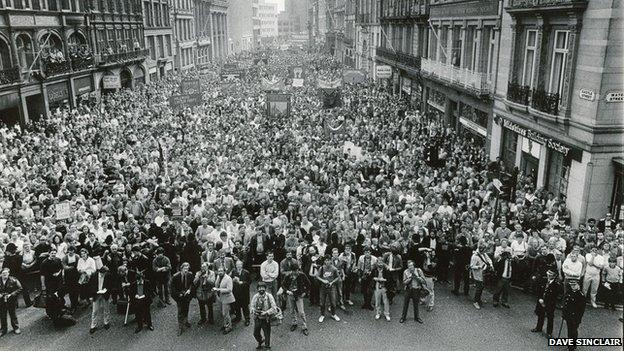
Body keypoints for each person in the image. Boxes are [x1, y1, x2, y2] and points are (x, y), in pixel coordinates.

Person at [281, 263, 310, 335]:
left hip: (299, 295)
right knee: (292, 310)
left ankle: (304, 326)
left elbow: (308, 284)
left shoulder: (302, 275)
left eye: (297, 270)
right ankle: (294, 323)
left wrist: (305, 292)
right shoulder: (287, 276)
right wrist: (287, 291)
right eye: (294, 271)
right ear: (291, 271)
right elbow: (283, 285)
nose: (296, 272)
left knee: (301, 312)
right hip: (290, 295)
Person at [531, 269, 561, 337]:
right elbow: (539, 290)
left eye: (550, 275)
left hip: (549, 304)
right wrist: (540, 299)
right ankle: (538, 328)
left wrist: (546, 302)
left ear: (554, 276)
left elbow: (554, 297)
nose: (548, 276)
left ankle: (549, 333)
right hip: (541, 301)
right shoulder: (544, 281)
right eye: (548, 274)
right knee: (540, 315)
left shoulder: (556, 285)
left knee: (550, 318)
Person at [251, 281, 277, 350]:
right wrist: (253, 311)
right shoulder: (255, 296)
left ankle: (267, 346)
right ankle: (260, 341)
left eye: (262, 288)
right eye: (259, 288)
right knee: (255, 333)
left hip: (266, 318)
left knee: (267, 333)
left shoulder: (269, 296)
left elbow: (274, 308)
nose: (261, 289)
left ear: (265, 288)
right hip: (257, 318)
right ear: (257, 289)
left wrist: (266, 312)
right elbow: (252, 306)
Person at [562, 278, 586, 351]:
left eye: (574, 285)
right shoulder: (569, 292)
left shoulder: (580, 295)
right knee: (570, 331)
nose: (573, 286)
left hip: (575, 317)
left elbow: (581, 310)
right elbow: (565, 304)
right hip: (568, 316)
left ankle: (571, 347)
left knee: (573, 331)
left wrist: (578, 319)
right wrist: (564, 314)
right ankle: (571, 346)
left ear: (578, 285)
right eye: (571, 285)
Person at [171, 262, 194, 335]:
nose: (186, 270)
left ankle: (186, 321)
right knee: (180, 311)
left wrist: (189, 290)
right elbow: (172, 289)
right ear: (181, 268)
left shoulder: (190, 275)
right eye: (185, 268)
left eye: (187, 268)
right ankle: (180, 327)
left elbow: (192, 284)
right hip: (179, 297)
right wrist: (178, 295)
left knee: (186, 309)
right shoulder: (175, 276)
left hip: (187, 296)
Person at [89, 265, 113, 334]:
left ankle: (106, 322)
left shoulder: (108, 275)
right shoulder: (94, 276)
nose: (104, 275)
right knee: (95, 311)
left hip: (105, 294)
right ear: (100, 272)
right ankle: (93, 326)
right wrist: (92, 294)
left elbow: (110, 285)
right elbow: (90, 286)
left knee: (106, 309)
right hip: (96, 294)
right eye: (103, 274)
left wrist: (107, 290)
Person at [316, 256, 340, 323]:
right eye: (326, 260)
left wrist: (332, 282)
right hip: (323, 288)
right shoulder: (322, 268)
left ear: (331, 261)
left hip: (331, 288)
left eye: (328, 260)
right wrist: (323, 281)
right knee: (322, 302)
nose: (327, 262)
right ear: (324, 261)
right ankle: (322, 315)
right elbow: (317, 276)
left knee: (333, 302)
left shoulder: (334, 269)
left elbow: (338, 277)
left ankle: (333, 314)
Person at [470, 244, 493, 310]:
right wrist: (479, 267)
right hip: (477, 274)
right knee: (478, 288)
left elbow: (488, 259)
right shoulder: (475, 256)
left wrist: (491, 265)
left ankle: (479, 299)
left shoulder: (484, 254)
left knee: (481, 287)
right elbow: (472, 266)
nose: (484, 252)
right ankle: (475, 301)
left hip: (483, 273)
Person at [0, 267, 22, 336]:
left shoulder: (13, 280)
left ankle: (16, 328)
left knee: (13, 314)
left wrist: (11, 295)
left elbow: (20, 288)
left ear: (9, 273)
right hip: (1, 301)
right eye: (3, 273)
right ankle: (3, 329)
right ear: (1, 274)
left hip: (11, 300)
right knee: (2, 315)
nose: (5, 274)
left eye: (6, 273)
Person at [214, 266, 235, 334]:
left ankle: (229, 327)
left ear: (224, 271)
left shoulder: (228, 278)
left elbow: (229, 289)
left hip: (227, 298)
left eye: (221, 271)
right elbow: (217, 285)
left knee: (225, 313)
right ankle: (225, 324)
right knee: (222, 313)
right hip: (219, 297)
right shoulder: (218, 276)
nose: (220, 272)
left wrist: (219, 290)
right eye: (219, 271)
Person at [231, 260, 251, 326]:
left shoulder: (246, 272)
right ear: (236, 265)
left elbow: (249, 282)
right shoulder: (234, 271)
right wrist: (233, 280)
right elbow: (231, 279)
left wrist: (242, 282)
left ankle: (247, 319)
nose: (238, 266)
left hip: (244, 293)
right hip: (236, 292)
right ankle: (238, 317)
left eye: (240, 264)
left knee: (245, 307)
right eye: (237, 265)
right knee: (237, 306)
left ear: (242, 265)